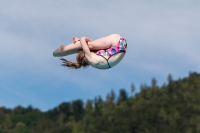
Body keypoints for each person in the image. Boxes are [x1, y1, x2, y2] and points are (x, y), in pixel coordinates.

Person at [53, 34, 127, 69]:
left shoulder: (97, 63)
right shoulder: (91, 59)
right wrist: (84, 40)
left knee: (91, 46)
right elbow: (83, 39)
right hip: (117, 41)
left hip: (122, 47)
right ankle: (62, 51)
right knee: (89, 45)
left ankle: (61, 52)